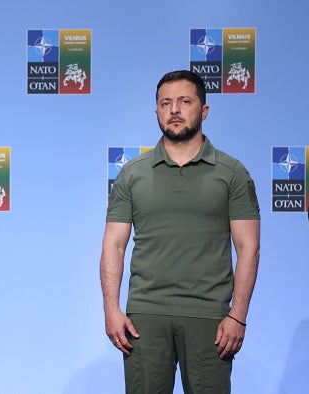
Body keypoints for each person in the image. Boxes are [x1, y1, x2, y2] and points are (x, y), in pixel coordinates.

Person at [100, 70, 260, 393]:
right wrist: (111, 310)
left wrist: (238, 315)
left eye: (184, 101)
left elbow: (249, 248)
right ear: (157, 111)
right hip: (144, 318)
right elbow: (113, 246)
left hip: (210, 320)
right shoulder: (132, 174)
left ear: (203, 111)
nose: (174, 110)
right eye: (165, 103)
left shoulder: (232, 173)